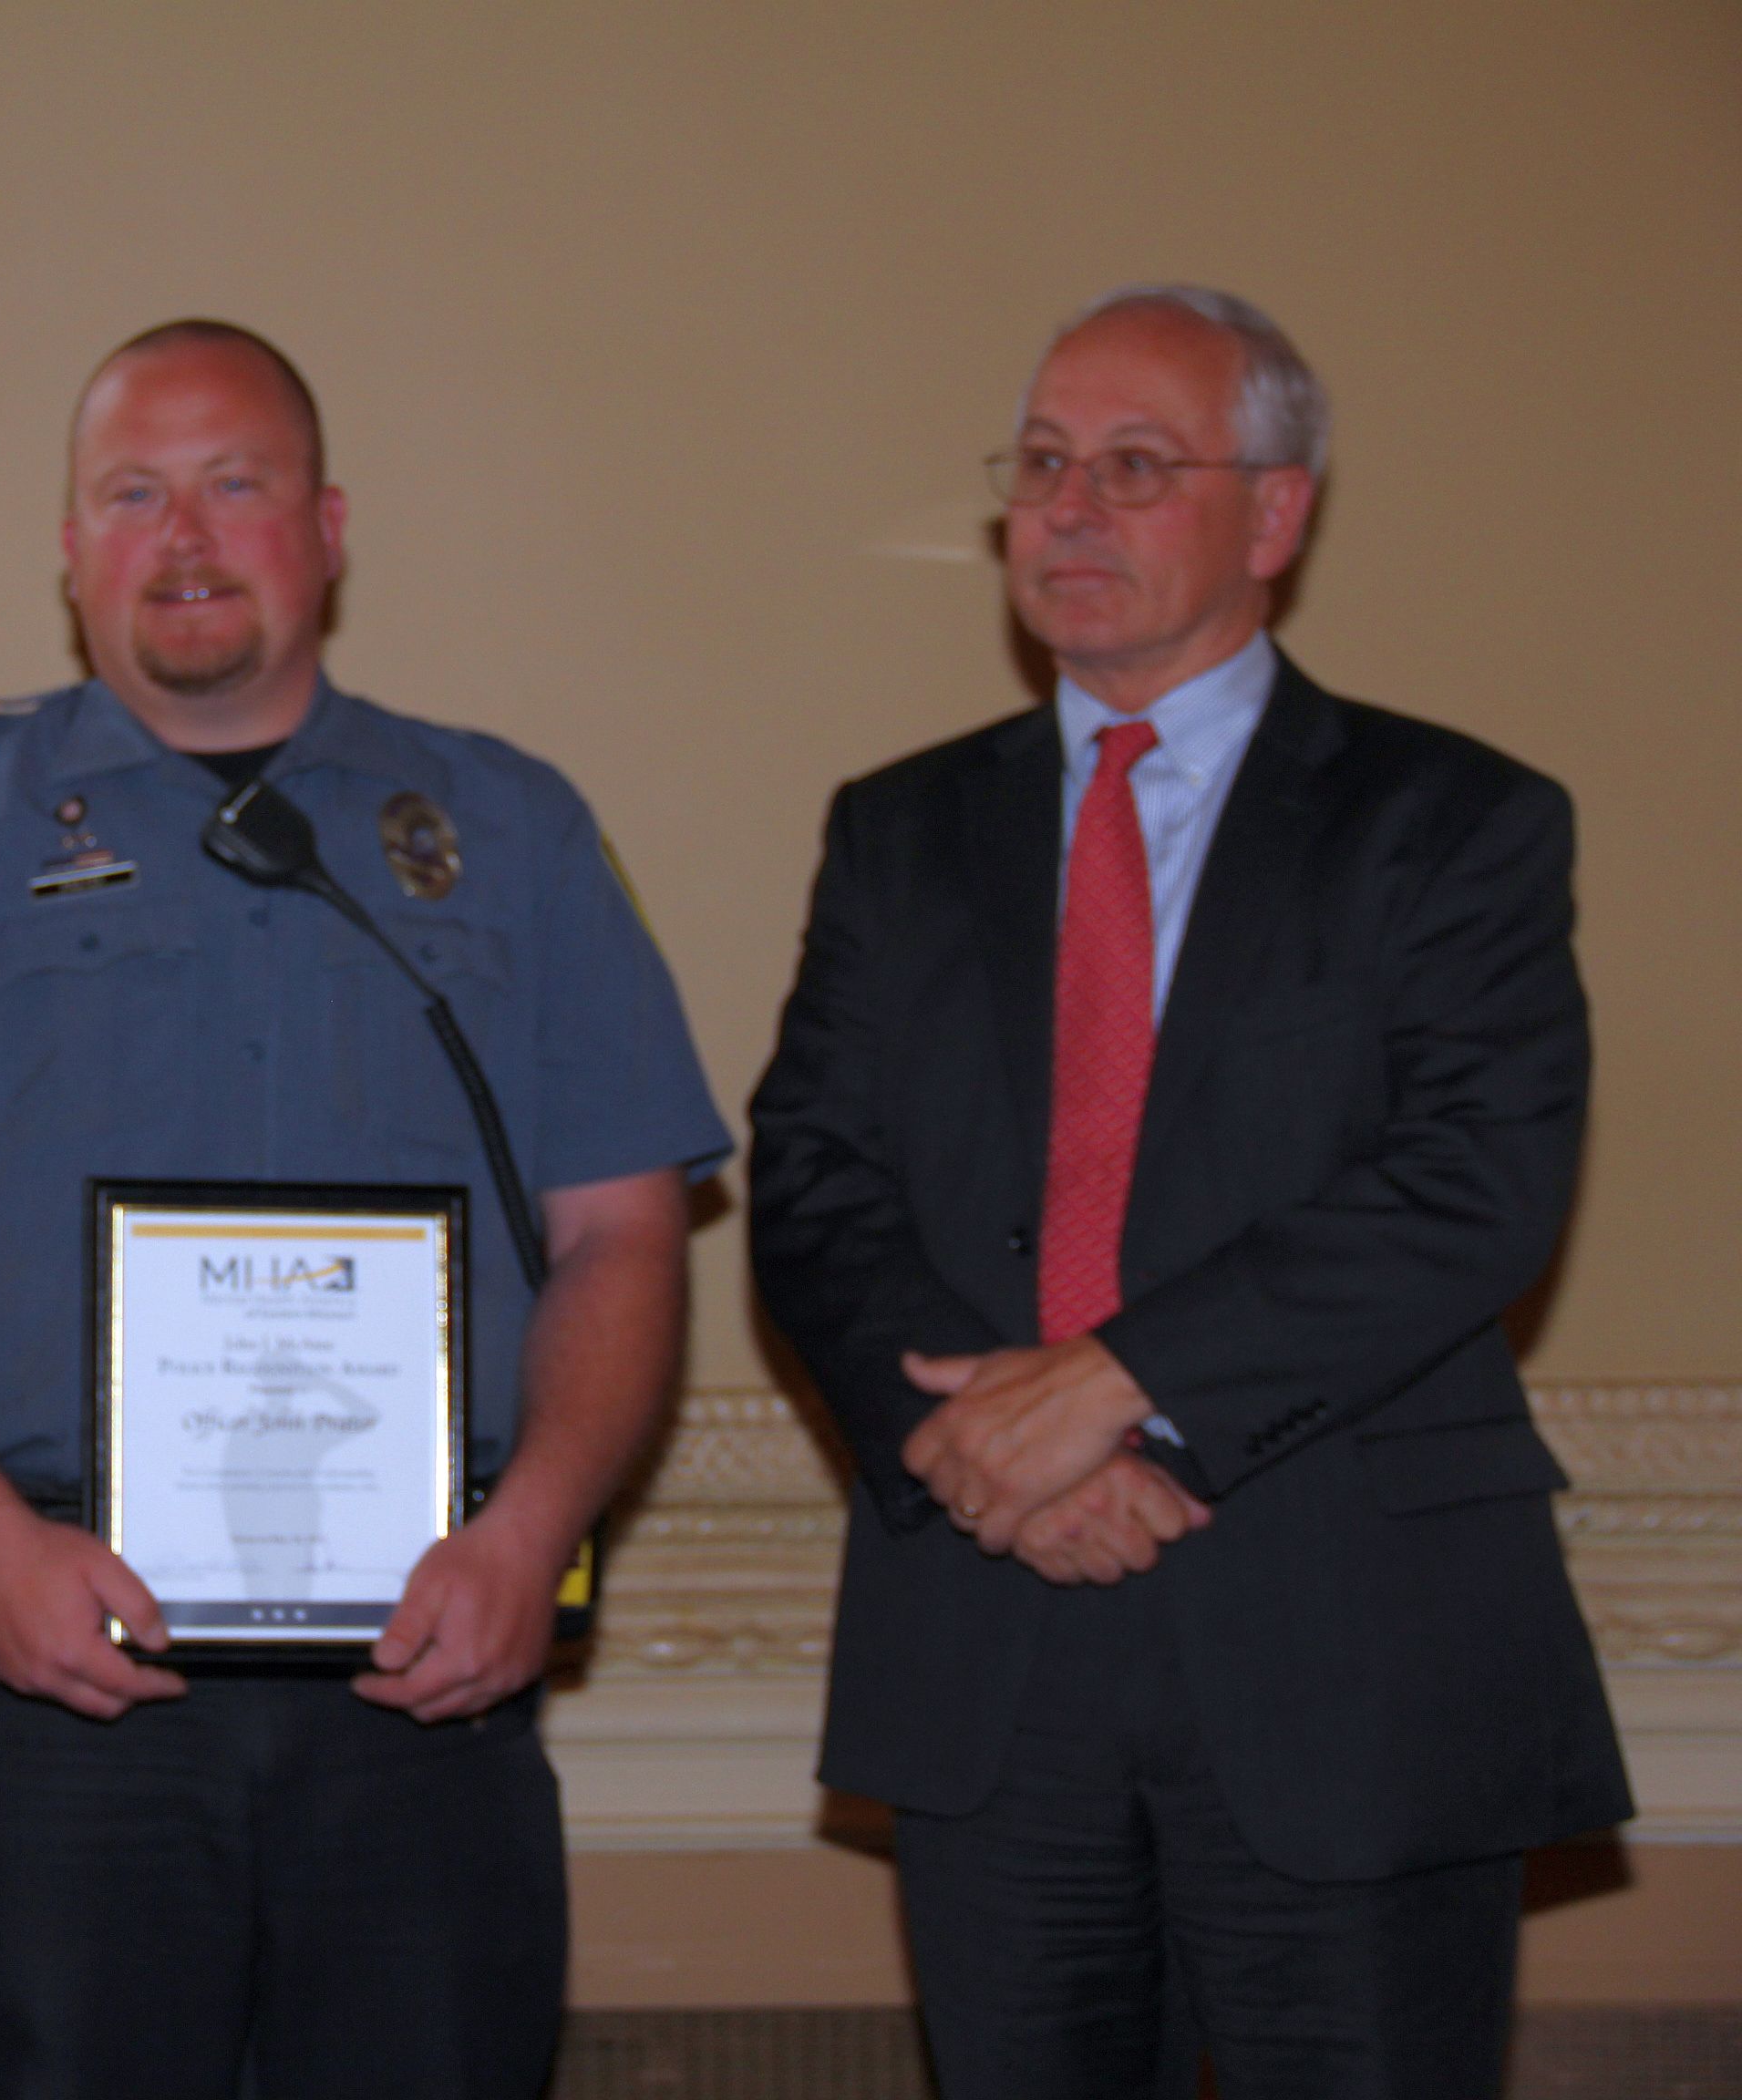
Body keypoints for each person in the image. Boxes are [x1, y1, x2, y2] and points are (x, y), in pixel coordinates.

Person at [0, 320, 728, 2098]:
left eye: (235, 485)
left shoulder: (510, 829)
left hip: (431, 1655)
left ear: (328, 527)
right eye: (132, 493)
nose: (184, 535)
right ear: (70, 548)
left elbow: (626, 1236)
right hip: (55, 1659)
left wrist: (530, 1533)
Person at [748, 286, 1631, 2098]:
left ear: (1278, 513)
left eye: (1136, 466)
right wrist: (995, 1455)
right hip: (992, 1639)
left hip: (1347, 1651)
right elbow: (815, 1186)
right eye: (1044, 466)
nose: (1067, 509)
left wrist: (1126, 1384)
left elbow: (1475, 1182)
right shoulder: (896, 831)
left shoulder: (1452, 818)